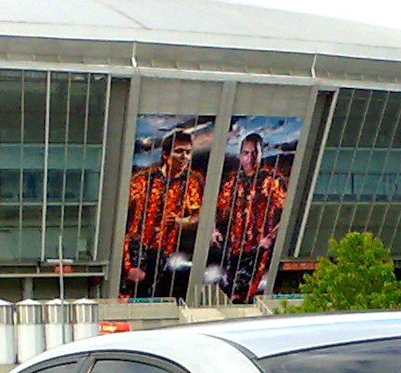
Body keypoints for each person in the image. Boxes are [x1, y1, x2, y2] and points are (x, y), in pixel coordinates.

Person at [121, 127, 204, 299]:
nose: (184, 157)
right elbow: (120, 216)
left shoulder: (192, 182)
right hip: (137, 247)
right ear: (166, 155)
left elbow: (198, 214)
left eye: (188, 152)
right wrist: (128, 263)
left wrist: (183, 221)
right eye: (179, 151)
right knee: (129, 294)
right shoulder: (143, 180)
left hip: (165, 252)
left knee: (153, 295)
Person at [211, 131, 288, 303]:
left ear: (262, 154)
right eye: (246, 153)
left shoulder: (272, 180)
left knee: (246, 292)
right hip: (235, 247)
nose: (250, 158)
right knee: (231, 289)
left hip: (260, 247)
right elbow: (216, 208)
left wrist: (271, 236)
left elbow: (288, 213)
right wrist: (214, 230)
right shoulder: (233, 182)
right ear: (240, 155)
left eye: (255, 153)